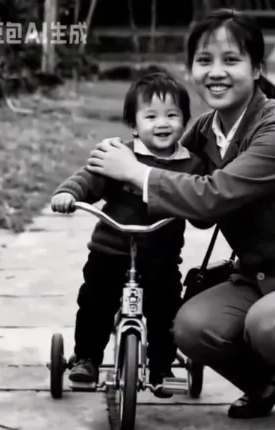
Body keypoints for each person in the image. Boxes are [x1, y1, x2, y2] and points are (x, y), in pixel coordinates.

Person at [86, 9, 275, 430]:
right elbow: (179, 186)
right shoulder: (204, 131)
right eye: (204, 60)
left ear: (257, 68)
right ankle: (267, 381)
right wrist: (113, 168)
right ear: (190, 69)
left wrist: (135, 172)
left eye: (231, 60)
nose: (216, 72)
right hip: (262, 281)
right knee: (190, 326)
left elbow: (211, 197)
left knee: (271, 323)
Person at [51, 66, 203, 396]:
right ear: (134, 125)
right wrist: (69, 193)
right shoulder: (120, 154)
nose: (162, 123)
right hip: (110, 250)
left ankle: (162, 368)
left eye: (172, 115)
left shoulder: (191, 164)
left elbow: (202, 195)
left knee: (166, 312)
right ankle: (87, 359)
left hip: (161, 258)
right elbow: (88, 178)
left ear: (184, 121)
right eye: (151, 116)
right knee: (95, 303)